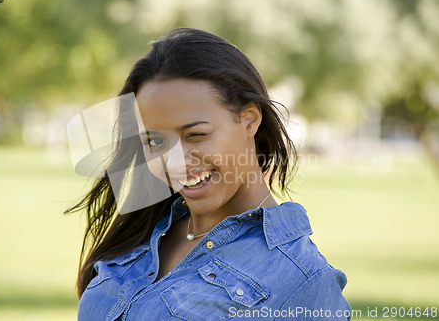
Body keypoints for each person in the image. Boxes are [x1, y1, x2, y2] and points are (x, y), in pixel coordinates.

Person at [67, 28, 351, 320]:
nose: (175, 162)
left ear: (249, 119)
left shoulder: (304, 281)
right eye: (155, 141)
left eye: (196, 134)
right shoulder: (141, 234)